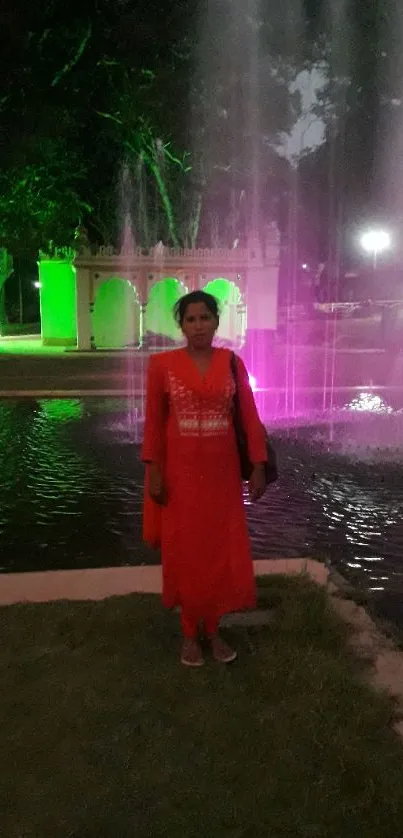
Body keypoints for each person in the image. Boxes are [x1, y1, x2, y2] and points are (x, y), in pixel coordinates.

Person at [142, 290, 268, 667]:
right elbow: (153, 423)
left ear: (216, 321)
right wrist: (154, 470)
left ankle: (212, 629)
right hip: (180, 474)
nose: (198, 326)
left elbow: (249, 415)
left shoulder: (232, 363)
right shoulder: (162, 365)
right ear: (181, 325)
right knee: (185, 550)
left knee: (217, 549)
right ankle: (188, 633)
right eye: (191, 319)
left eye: (205, 318)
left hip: (222, 474)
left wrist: (258, 464)